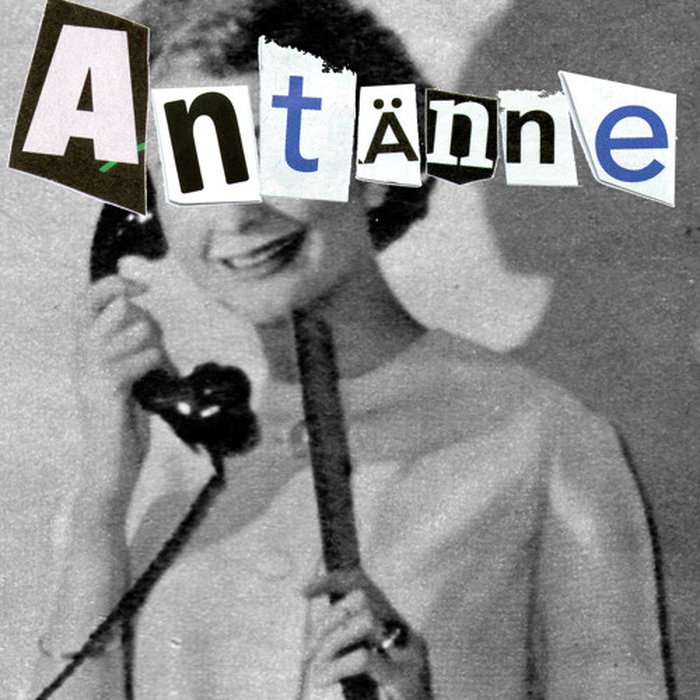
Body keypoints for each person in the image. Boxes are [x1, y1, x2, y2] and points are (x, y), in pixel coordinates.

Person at [29, 0, 668, 698]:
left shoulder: (545, 440)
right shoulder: (142, 461)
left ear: (373, 168)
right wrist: (103, 496)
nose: (238, 212)